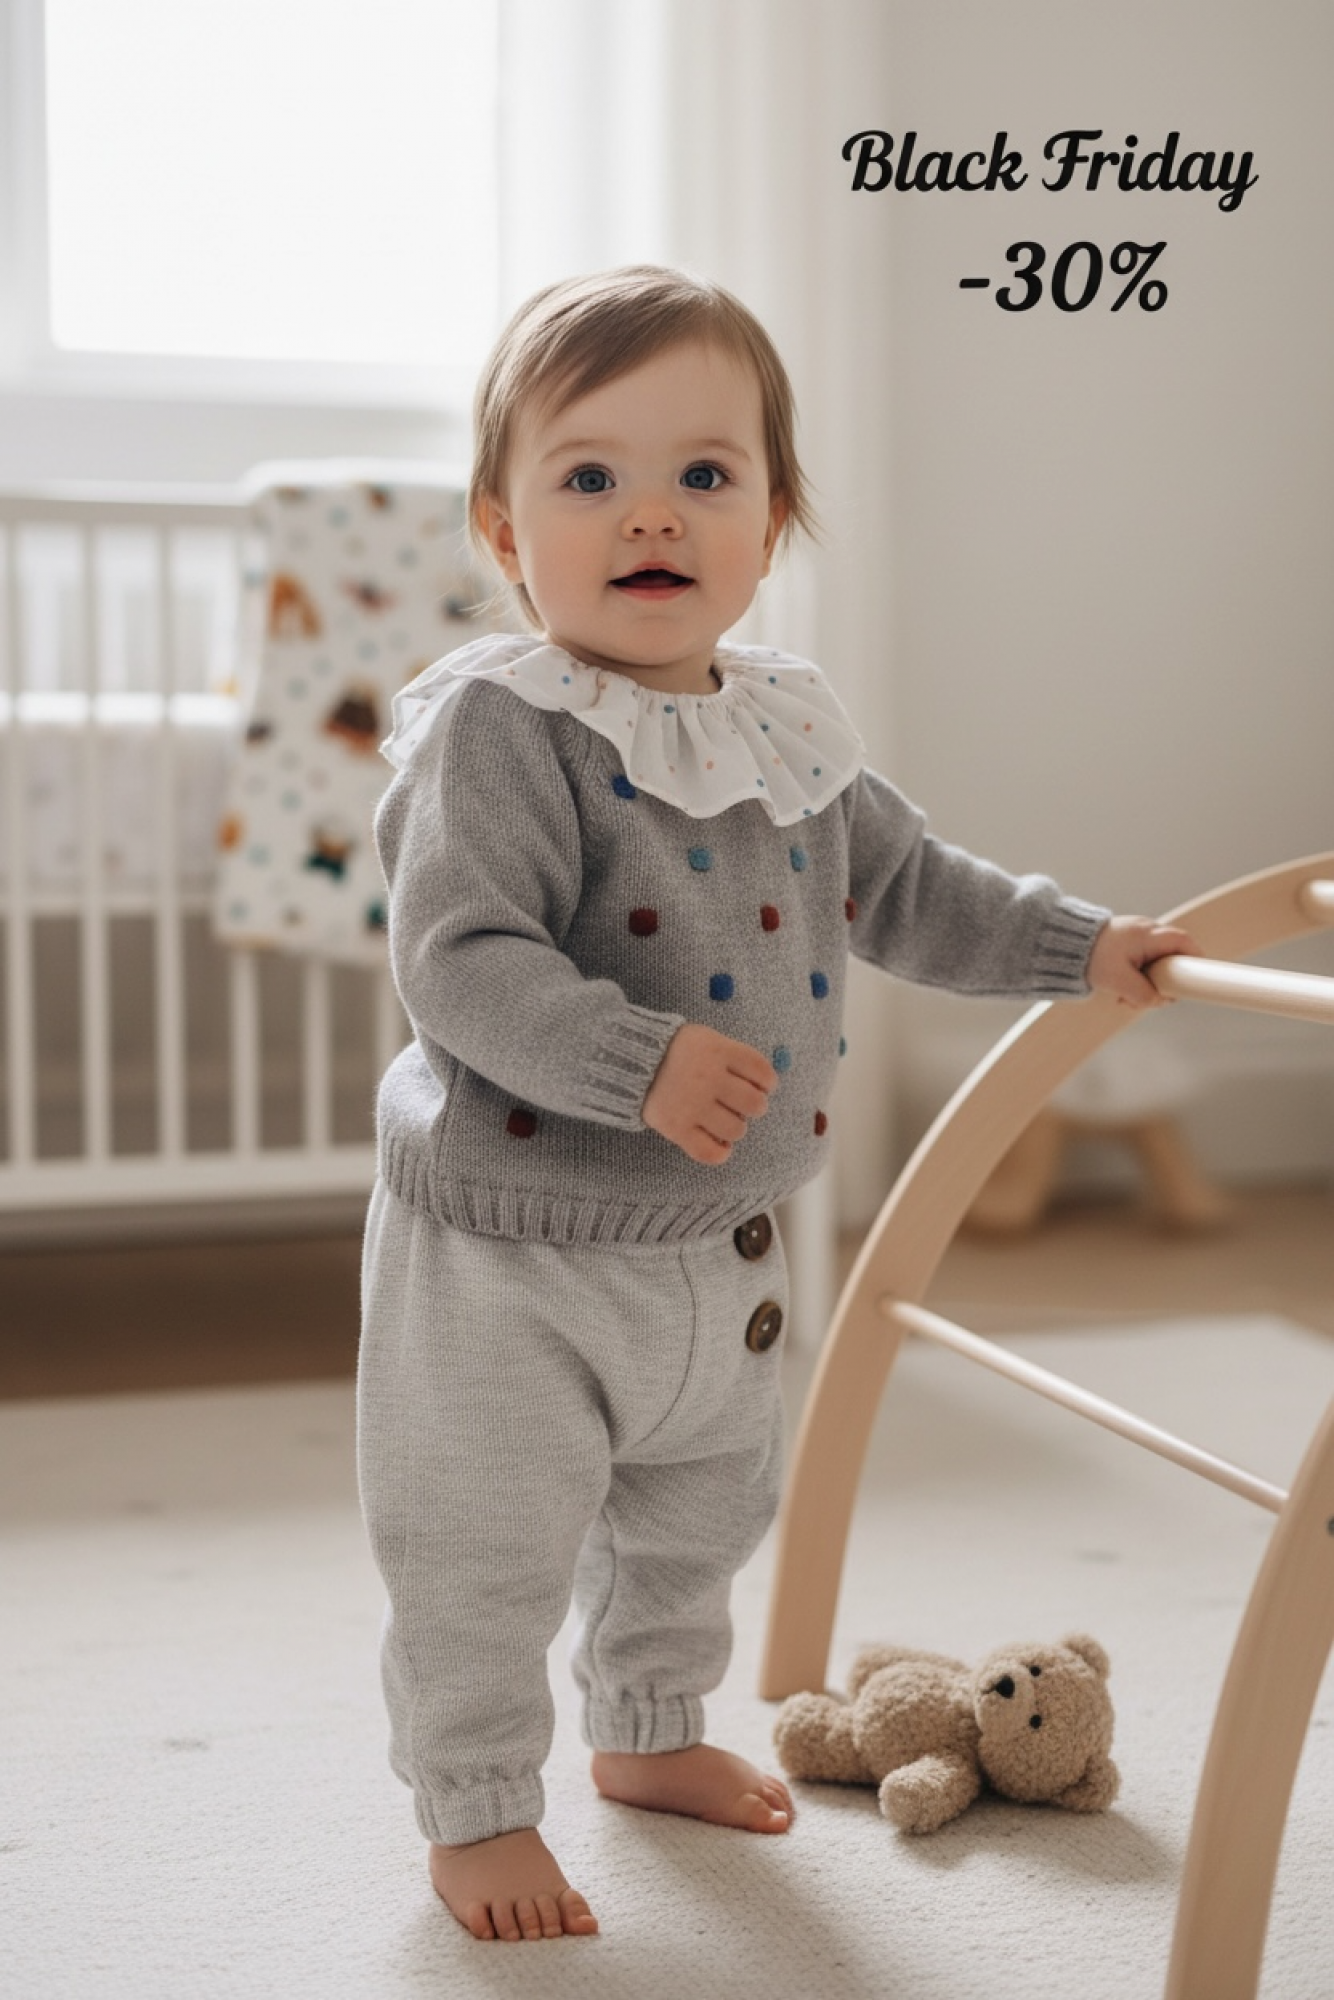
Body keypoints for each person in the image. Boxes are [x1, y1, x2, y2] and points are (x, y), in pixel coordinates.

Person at [357, 265, 1194, 1943]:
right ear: (505, 531)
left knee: (697, 1517)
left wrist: (1079, 945)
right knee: (484, 1551)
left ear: (772, 520)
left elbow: (914, 891)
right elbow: (459, 958)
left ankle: (647, 1728)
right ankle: (477, 1808)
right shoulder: (503, 732)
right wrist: (634, 1058)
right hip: (516, 1259)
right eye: (587, 476)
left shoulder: (786, 732)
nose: (648, 512)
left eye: (703, 473)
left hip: (720, 1246)